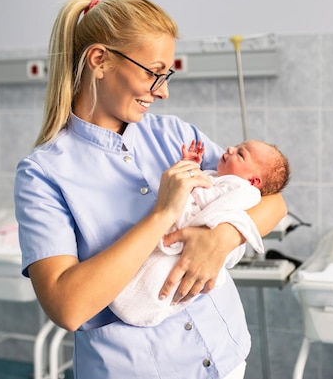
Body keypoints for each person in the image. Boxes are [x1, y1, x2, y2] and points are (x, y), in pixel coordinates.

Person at [13, 0, 287, 379]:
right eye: (152, 72)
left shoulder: (175, 134)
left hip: (225, 356)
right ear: (99, 61)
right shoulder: (43, 173)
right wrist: (162, 214)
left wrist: (220, 239)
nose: (162, 91)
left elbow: (273, 202)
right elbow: (67, 307)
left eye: (167, 74)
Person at [110, 139, 290, 327]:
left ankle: (143, 301)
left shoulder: (242, 189)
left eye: (240, 154)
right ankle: (135, 297)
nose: (230, 148)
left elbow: (208, 200)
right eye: (236, 147)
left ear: (253, 181)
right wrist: (192, 167)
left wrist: (191, 182)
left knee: (166, 274)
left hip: (193, 236)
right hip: (176, 231)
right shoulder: (217, 176)